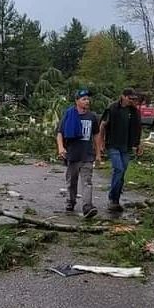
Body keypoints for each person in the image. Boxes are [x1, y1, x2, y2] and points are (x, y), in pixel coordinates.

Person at [56, 89, 101, 218]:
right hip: (72, 154)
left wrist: (98, 153)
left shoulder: (92, 117)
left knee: (87, 181)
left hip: (87, 155)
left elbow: (96, 135)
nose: (87, 101)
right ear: (77, 101)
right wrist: (61, 148)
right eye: (84, 99)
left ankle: (87, 206)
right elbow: (60, 133)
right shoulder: (69, 115)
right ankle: (71, 201)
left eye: (88, 99)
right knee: (71, 182)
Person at [99, 88, 143, 212]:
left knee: (122, 173)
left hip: (127, 146)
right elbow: (102, 125)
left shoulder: (134, 111)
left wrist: (139, 144)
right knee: (118, 169)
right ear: (123, 97)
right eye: (130, 98)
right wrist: (101, 143)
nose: (132, 101)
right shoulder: (112, 108)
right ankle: (112, 198)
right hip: (113, 144)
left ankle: (116, 199)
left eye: (134, 99)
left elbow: (138, 128)